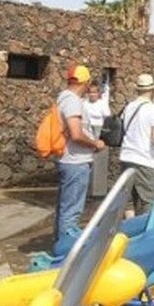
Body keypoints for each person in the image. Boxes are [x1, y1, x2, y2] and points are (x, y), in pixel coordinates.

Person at [54, 64, 104, 245]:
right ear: (86, 82)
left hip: (69, 160)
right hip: (76, 162)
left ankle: (60, 245)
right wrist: (95, 144)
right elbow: (76, 134)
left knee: (65, 208)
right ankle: (65, 253)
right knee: (71, 211)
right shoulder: (73, 101)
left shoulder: (63, 98)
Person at [118, 74, 154, 215]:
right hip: (143, 158)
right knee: (148, 198)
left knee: (128, 198)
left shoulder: (129, 107)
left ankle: (129, 228)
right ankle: (145, 231)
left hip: (127, 156)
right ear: (152, 90)